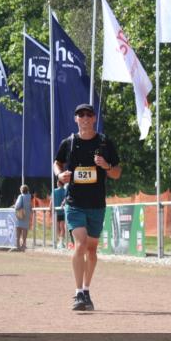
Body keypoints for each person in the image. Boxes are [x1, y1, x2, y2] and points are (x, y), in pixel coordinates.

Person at [53, 103, 121, 312]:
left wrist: (106, 166)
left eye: (88, 115)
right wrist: (59, 175)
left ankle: (86, 289)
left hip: (96, 204)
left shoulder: (104, 143)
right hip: (74, 203)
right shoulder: (69, 143)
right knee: (80, 244)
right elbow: (57, 162)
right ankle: (78, 293)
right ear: (76, 119)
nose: (84, 118)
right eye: (80, 115)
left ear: (94, 119)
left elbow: (117, 173)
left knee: (91, 250)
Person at [13, 184, 33, 250]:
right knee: (25, 229)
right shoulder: (29, 197)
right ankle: (24, 244)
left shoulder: (20, 196)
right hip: (26, 214)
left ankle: (18, 244)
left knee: (18, 229)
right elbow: (30, 206)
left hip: (20, 214)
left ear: (21, 190)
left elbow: (17, 206)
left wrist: (14, 206)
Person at [53, 180, 68, 249]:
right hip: (62, 211)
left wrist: (50, 210)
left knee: (57, 227)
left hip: (56, 211)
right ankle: (61, 241)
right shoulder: (65, 190)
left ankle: (60, 241)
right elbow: (66, 199)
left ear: (59, 183)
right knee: (62, 227)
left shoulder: (54, 191)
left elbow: (51, 201)